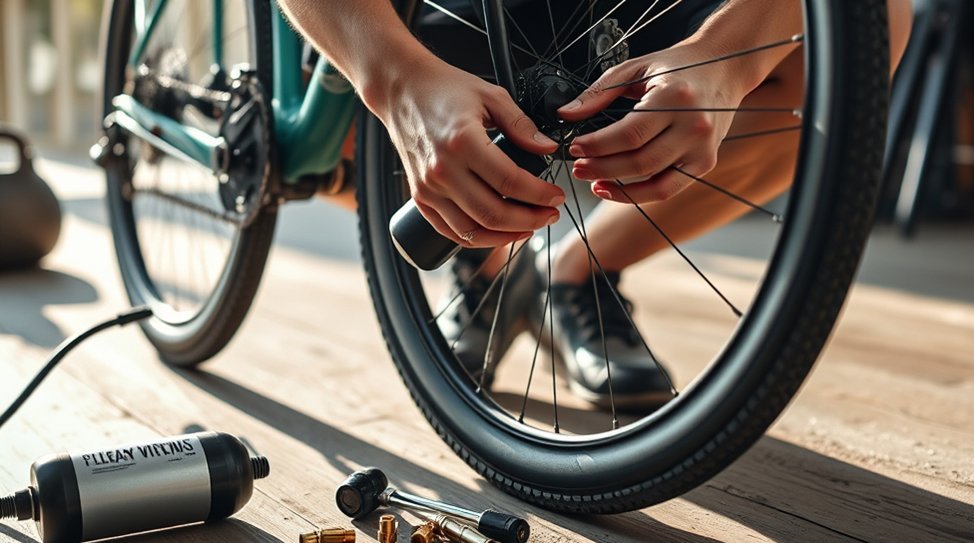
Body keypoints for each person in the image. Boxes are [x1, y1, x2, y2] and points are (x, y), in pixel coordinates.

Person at [278, 0, 913, 407]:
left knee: (871, 22)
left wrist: (726, 59)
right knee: (314, 142)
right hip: (437, 16)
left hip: (647, 14)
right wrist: (396, 80)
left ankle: (570, 273)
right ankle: (482, 264)